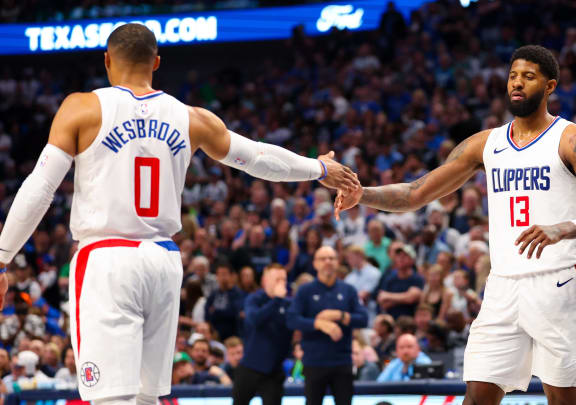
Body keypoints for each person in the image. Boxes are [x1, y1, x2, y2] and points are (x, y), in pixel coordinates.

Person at [0, 23, 358, 404]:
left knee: (109, 398)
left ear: (106, 60)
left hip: (107, 258)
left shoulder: (82, 106)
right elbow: (257, 157)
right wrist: (318, 168)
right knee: (146, 397)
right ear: (156, 62)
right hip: (164, 261)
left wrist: (3, 258)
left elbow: (41, 187)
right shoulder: (191, 117)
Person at [336, 45, 576, 404]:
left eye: (528, 77)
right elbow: (414, 193)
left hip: (560, 281)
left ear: (549, 86)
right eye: (513, 76)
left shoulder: (572, 138)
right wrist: (363, 194)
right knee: (476, 397)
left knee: (564, 400)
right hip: (502, 286)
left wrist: (564, 227)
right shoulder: (486, 143)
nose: (517, 83)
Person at [287, 246, 368, 405]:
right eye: (323, 259)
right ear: (315, 264)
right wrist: (319, 324)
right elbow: (291, 319)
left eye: (332, 258)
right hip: (313, 362)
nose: (328, 262)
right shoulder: (305, 291)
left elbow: (363, 319)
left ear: (337, 262)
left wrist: (339, 315)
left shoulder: (348, 290)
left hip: (342, 361)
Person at [233, 264, 292, 405]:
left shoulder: (290, 304)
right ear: (265, 280)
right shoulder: (253, 299)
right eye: (277, 279)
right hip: (249, 367)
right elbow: (254, 320)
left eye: (283, 279)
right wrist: (276, 300)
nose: (281, 283)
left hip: (274, 371)